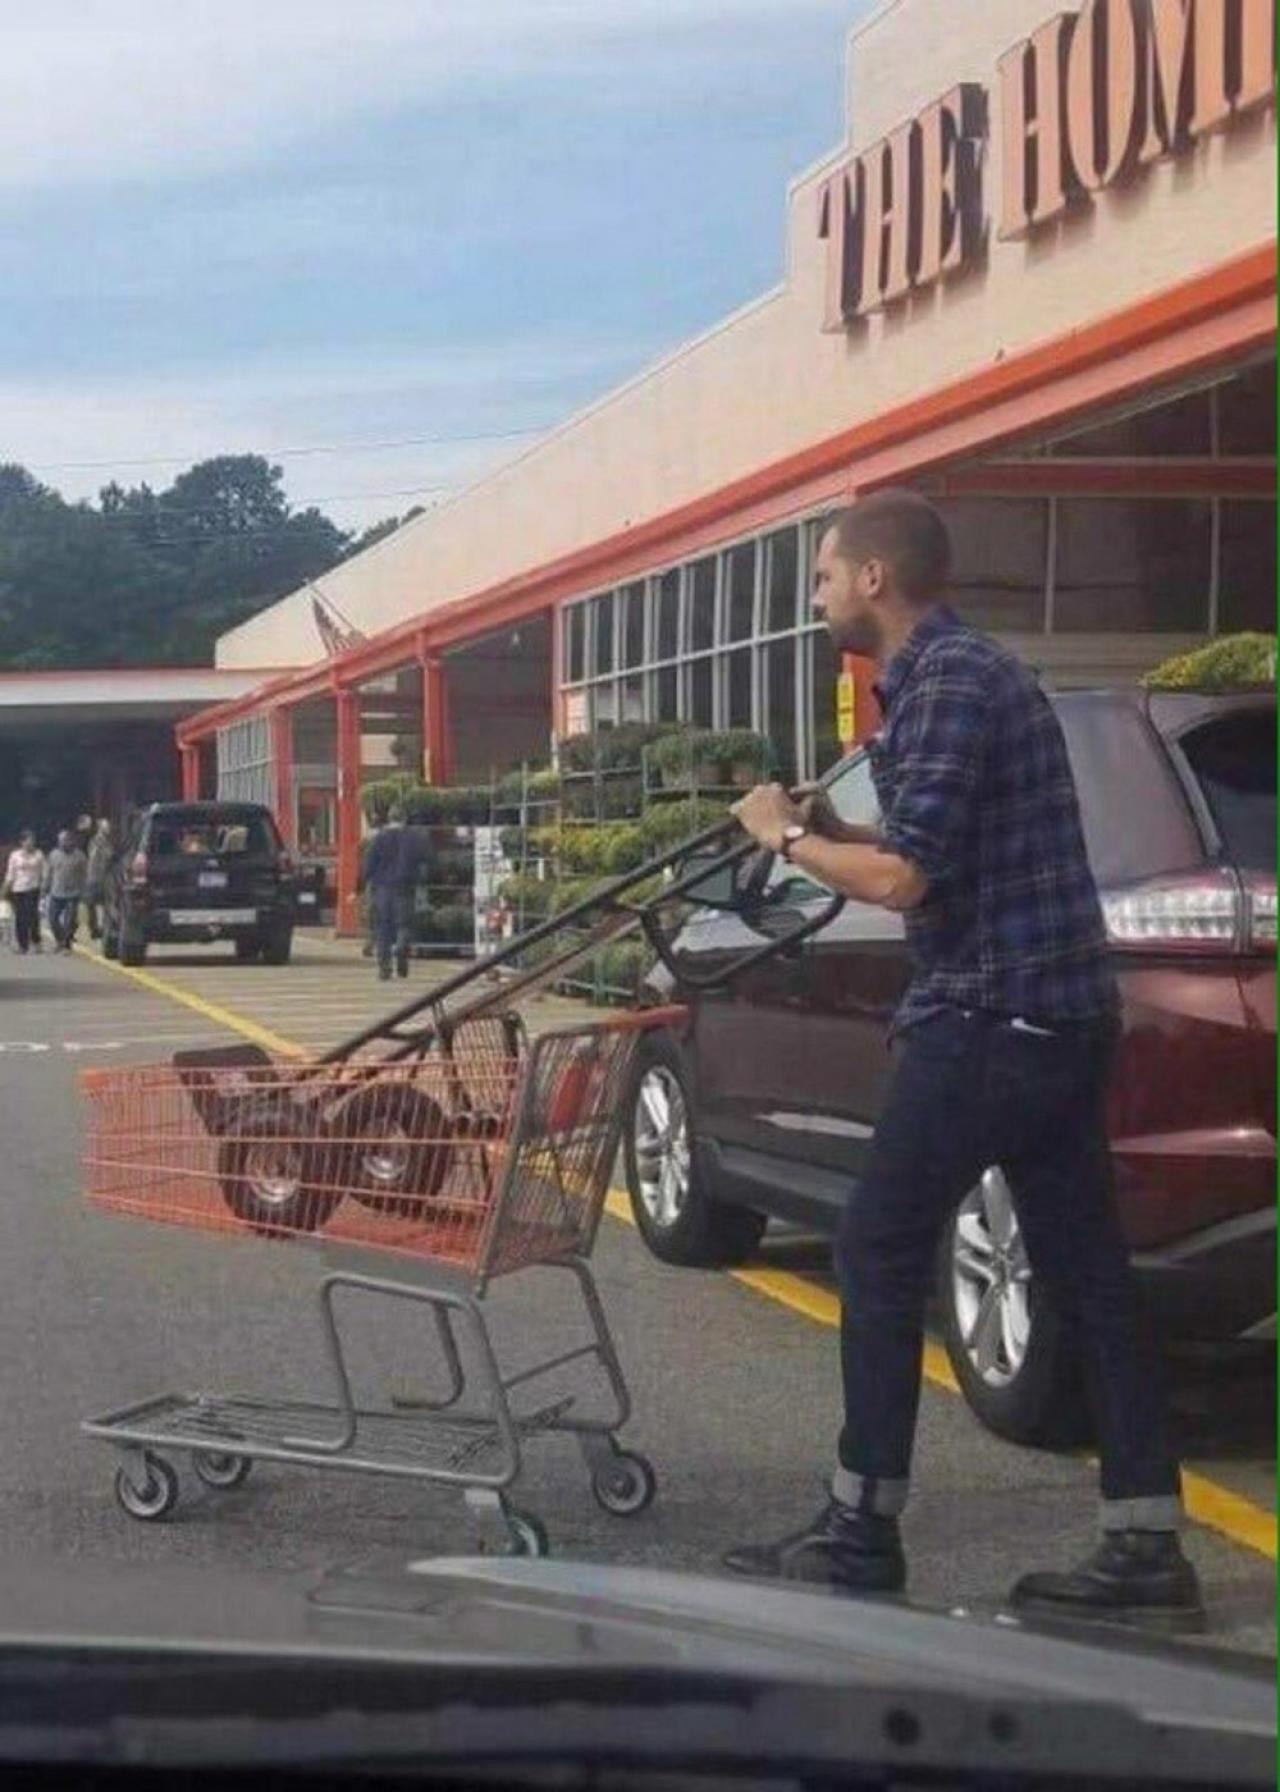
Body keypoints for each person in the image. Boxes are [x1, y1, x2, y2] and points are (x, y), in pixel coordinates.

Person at [724, 489, 1201, 1632]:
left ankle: (858, 1532)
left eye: (827, 576)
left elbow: (907, 882)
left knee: (876, 1243)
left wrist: (783, 837)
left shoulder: (942, 682)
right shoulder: (967, 676)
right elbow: (929, 845)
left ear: (876, 580)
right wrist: (832, 831)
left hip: (991, 1015)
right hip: (1056, 1016)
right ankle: (1145, 1543)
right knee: (1086, 1268)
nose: (819, 596)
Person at [360, 804, 427, 981]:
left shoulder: (378, 838)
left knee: (383, 928)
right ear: (404, 819)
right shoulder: (415, 838)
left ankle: (385, 968)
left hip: (382, 889)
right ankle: (401, 948)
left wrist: (358, 888)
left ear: (389, 818)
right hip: (405, 888)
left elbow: (368, 865)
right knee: (404, 925)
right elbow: (428, 860)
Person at [45, 827, 89, 953]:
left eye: (65, 840)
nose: (63, 843)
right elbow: (49, 873)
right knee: (52, 919)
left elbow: (85, 875)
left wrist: (84, 891)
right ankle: (60, 940)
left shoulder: (80, 856)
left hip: (73, 894)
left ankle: (66, 944)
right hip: (56, 892)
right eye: (60, 840)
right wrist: (45, 888)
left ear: (71, 841)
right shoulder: (53, 855)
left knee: (69, 921)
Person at [3, 830, 47, 954]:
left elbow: (44, 871)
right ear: (22, 842)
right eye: (28, 840)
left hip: (33, 889)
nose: (30, 843)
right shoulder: (15, 855)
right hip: (18, 890)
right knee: (20, 918)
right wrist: (5, 890)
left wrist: (44, 887)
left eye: (32, 841)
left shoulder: (39, 855)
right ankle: (23, 945)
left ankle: (36, 941)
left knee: (33, 917)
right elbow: (10, 874)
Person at [85, 818, 113, 941]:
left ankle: (99, 928)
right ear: (100, 828)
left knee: (103, 905)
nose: (108, 829)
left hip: (102, 878)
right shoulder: (98, 841)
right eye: (106, 826)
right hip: (96, 877)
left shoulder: (105, 842)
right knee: (93, 904)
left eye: (108, 826)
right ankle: (95, 928)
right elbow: (99, 858)